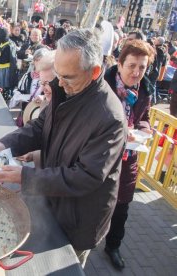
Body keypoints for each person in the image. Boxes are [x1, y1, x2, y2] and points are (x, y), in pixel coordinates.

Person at [0, 29, 127, 267]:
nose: (59, 83)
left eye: (68, 77)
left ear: (94, 72)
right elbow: (41, 126)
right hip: (52, 201)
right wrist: (7, 143)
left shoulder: (109, 118)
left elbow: (86, 176)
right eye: (58, 75)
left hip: (79, 218)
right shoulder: (65, 87)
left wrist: (27, 177)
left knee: (63, 266)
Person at [103, 39, 155, 270]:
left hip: (128, 160)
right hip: (100, 157)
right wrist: (121, 131)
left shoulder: (145, 90)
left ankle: (113, 246)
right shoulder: (101, 86)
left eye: (142, 67)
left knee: (122, 207)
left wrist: (144, 130)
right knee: (92, 201)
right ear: (120, 63)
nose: (136, 72)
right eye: (132, 65)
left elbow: (144, 118)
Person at [9, 48, 53, 126]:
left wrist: (43, 97)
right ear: (34, 61)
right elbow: (19, 91)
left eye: (43, 60)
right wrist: (23, 97)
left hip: (43, 114)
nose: (40, 63)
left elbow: (55, 95)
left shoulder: (50, 78)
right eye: (37, 60)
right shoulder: (27, 76)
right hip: (27, 112)